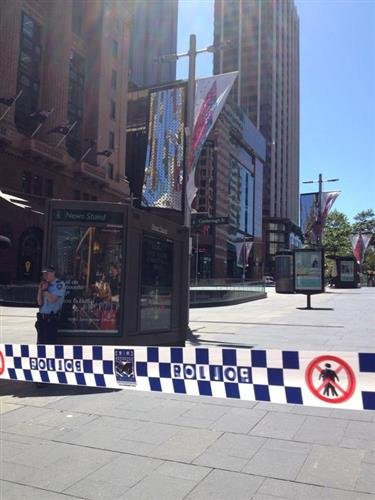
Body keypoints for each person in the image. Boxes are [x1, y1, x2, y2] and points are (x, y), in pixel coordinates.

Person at [35, 265, 66, 344]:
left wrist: (45, 290)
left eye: (47, 273)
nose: (45, 276)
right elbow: (39, 302)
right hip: (42, 317)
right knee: (40, 343)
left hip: (51, 318)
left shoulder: (59, 284)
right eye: (44, 274)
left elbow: (52, 300)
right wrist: (40, 289)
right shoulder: (45, 284)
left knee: (49, 343)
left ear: (53, 273)